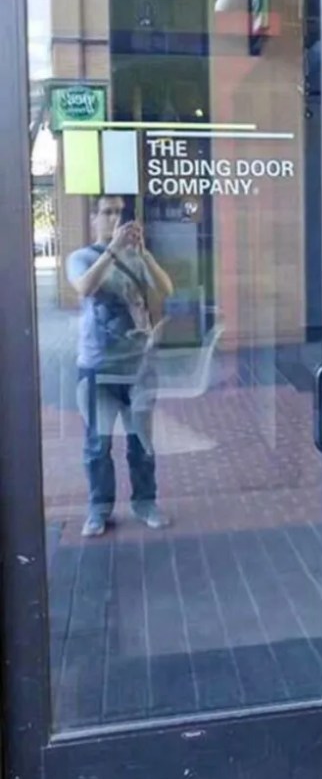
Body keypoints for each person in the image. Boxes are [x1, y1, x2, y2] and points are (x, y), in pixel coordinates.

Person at [67, 195, 174, 537]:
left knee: (141, 442)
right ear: (94, 218)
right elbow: (85, 288)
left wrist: (144, 255)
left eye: (120, 213)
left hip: (138, 367)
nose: (114, 218)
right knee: (98, 445)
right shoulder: (81, 257)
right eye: (107, 212)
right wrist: (113, 249)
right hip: (97, 368)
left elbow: (166, 289)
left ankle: (145, 502)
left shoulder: (137, 257)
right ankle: (99, 510)